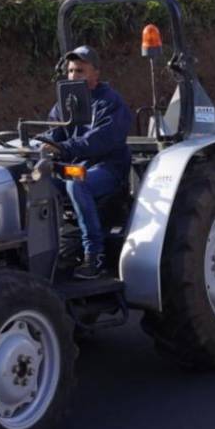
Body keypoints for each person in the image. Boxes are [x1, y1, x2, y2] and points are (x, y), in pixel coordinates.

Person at [41, 45, 133, 279]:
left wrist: (62, 148)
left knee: (75, 182)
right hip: (76, 167)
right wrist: (42, 146)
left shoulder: (110, 102)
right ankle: (47, 249)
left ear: (96, 73)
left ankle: (95, 255)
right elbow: (55, 134)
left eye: (80, 71)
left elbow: (101, 140)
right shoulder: (65, 103)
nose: (74, 76)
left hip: (108, 169)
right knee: (37, 182)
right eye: (71, 71)